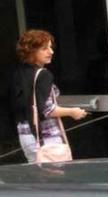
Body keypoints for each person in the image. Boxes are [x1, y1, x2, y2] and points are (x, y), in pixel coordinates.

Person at [10, 29, 87, 163]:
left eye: (51, 47)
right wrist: (73, 112)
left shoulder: (18, 73)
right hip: (46, 137)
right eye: (45, 48)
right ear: (31, 51)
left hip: (26, 137)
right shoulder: (43, 75)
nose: (51, 52)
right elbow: (47, 110)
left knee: (40, 179)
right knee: (55, 181)